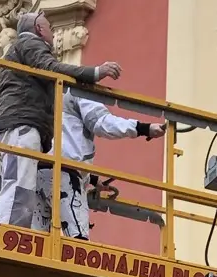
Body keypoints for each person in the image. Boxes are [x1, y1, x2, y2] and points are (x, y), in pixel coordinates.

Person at [0, 10, 120, 228]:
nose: (52, 32)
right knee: (21, 183)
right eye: (49, 27)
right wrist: (95, 72)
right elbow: (51, 68)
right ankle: (10, 232)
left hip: (11, 125)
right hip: (22, 125)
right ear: (39, 29)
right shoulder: (30, 43)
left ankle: (7, 228)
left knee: (15, 180)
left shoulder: (15, 52)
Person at [55, 86, 161, 237]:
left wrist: (93, 179)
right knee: (77, 241)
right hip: (66, 173)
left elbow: (62, 143)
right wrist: (144, 128)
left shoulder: (45, 87)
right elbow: (102, 123)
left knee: (36, 240)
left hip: (37, 168)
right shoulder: (77, 89)